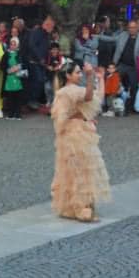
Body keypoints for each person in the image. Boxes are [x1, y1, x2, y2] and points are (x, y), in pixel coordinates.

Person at [51, 62, 110, 222]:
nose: (80, 75)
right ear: (68, 75)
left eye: (80, 72)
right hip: (74, 133)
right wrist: (91, 76)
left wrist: (100, 78)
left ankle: (81, 206)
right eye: (77, 73)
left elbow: (97, 97)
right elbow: (89, 96)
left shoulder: (75, 90)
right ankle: (80, 208)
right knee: (78, 169)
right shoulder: (66, 92)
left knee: (83, 169)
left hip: (82, 130)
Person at [112, 20, 139, 110]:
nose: (131, 29)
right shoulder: (123, 35)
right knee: (114, 81)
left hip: (134, 66)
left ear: (137, 28)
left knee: (135, 86)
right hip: (122, 64)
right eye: (130, 27)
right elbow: (111, 39)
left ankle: (132, 106)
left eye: (134, 27)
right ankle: (113, 105)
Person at [25, 16, 55, 111]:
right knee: (37, 80)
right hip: (34, 61)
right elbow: (32, 46)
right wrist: (40, 57)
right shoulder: (36, 32)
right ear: (46, 24)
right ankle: (31, 100)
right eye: (51, 27)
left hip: (41, 62)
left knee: (40, 81)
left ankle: (33, 100)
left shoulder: (46, 34)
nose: (52, 29)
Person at [2, 36, 26, 120]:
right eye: (11, 44)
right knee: (10, 97)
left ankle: (18, 114)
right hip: (9, 78)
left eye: (14, 44)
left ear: (18, 45)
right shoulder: (6, 54)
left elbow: (25, 64)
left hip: (18, 78)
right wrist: (8, 70)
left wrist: (19, 67)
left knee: (18, 97)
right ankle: (10, 114)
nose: (13, 46)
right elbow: (2, 65)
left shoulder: (21, 53)